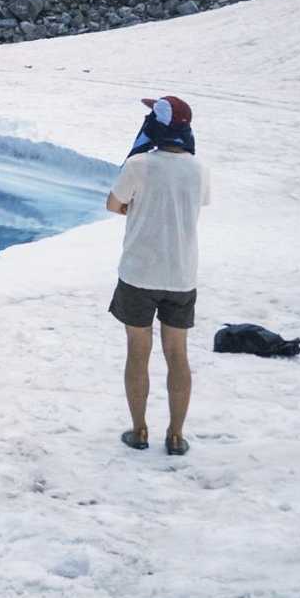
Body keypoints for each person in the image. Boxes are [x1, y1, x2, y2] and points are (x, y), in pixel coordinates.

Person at [106, 95, 211, 456]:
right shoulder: (199, 169)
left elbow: (113, 203)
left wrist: (138, 210)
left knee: (138, 351)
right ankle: (176, 436)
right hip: (181, 274)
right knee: (177, 354)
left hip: (139, 272)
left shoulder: (139, 165)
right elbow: (195, 204)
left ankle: (139, 431)